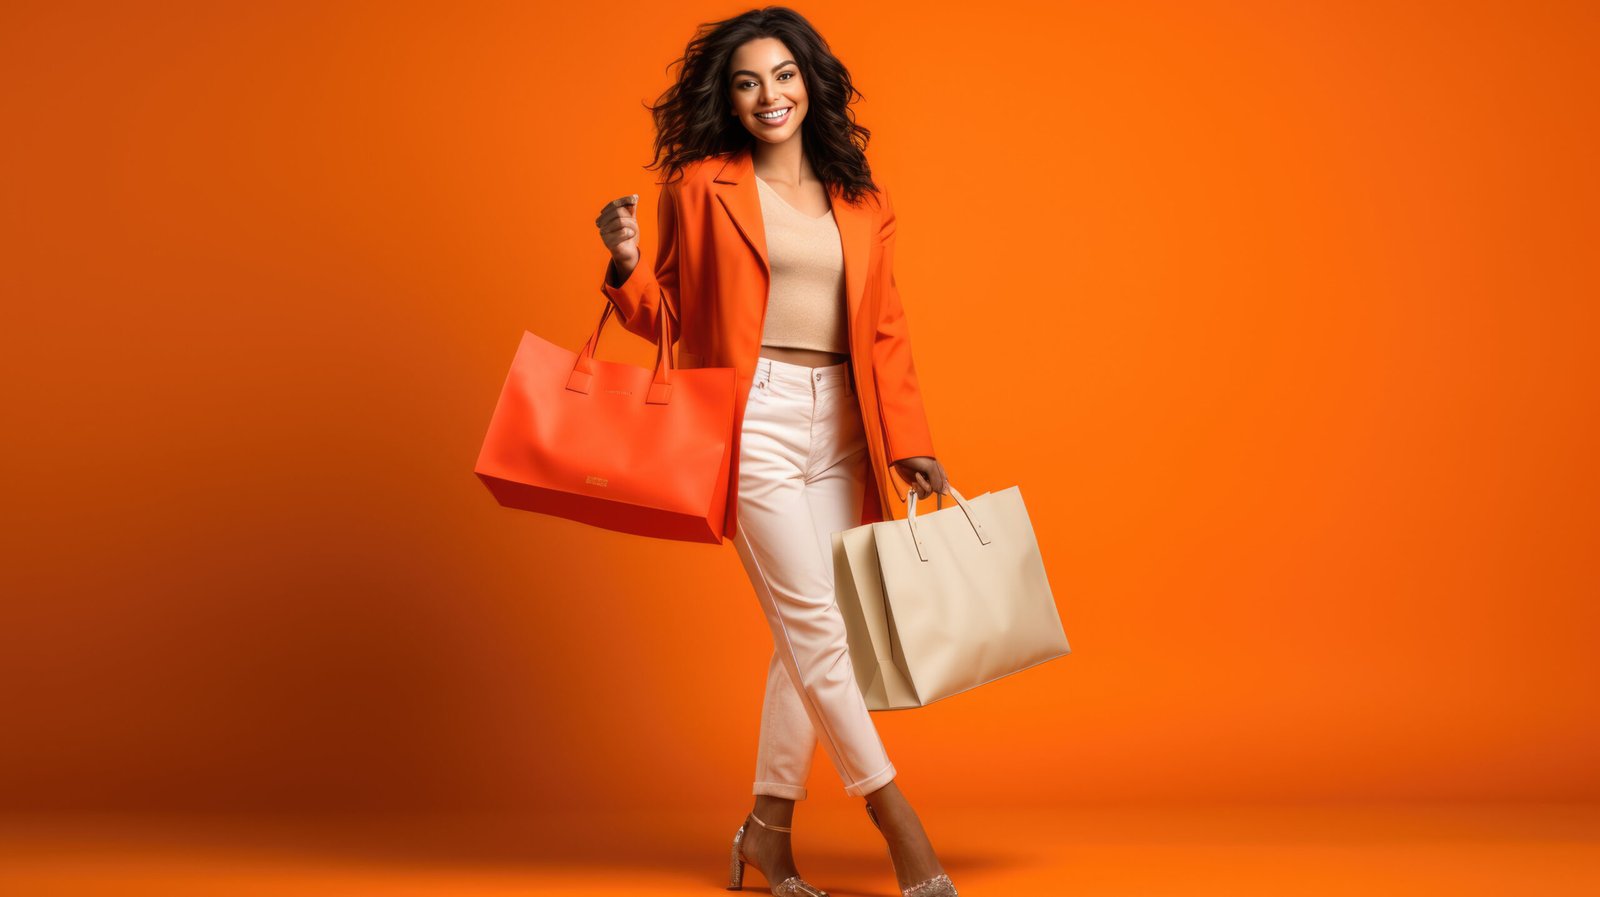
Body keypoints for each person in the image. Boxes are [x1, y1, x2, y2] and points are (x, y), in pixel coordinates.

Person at [592, 8, 956, 897]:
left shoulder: (863, 200)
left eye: (784, 75)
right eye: (749, 80)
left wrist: (909, 443)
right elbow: (669, 320)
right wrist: (627, 261)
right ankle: (899, 824)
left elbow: (886, 328)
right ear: (729, 94)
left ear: (810, 84)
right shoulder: (701, 186)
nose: (770, 95)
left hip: (844, 422)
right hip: (749, 417)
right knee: (818, 632)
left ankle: (767, 832)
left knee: (805, 635)